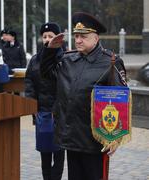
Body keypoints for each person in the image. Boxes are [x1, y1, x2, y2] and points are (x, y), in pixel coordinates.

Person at [40, 12, 127, 180]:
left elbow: (120, 100)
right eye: (76, 36)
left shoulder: (110, 62)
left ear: (96, 38)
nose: (78, 40)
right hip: (71, 137)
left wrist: (115, 137)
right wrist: (50, 50)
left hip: (94, 141)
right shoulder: (68, 60)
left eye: (83, 36)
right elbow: (46, 74)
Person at [25, 22, 65, 180]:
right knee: (45, 152)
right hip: (42, 112)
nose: (47, 39)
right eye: (45, 36)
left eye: (51, 36)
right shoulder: (35, 59)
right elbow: (29, 83)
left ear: (58, 38)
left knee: (59, 153)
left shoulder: (64, 58)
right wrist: (32, 105)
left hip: (60, 113)